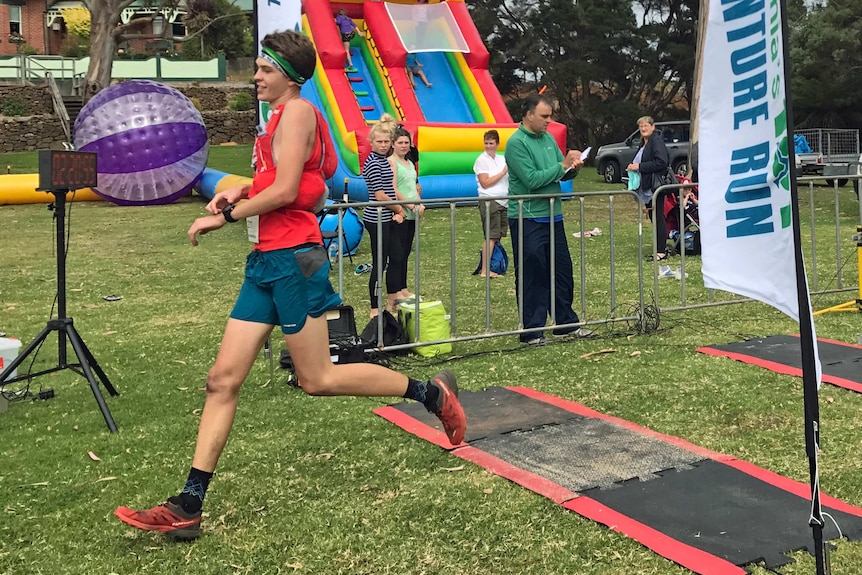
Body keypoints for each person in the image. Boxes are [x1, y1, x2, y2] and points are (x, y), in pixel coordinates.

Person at [113, 30, 466, 542]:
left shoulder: (297, 111)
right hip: (265, 262)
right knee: (222, 380)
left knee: (317, 378)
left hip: (293, 259)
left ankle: (427, 393)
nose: (255, 76)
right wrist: (237, 186)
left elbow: (285, 189)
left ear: (289, 74)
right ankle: (188, 503)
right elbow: (282, 180)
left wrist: (227, 214)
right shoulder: (276, 119)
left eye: (264, 68)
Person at [506, 93, 592, 344]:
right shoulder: (516, 143)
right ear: (529, 114)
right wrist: (562, 164)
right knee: (533, 273)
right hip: (527, 217)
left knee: (562, 270)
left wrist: (571, 168)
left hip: (553, 216)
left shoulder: (548, 139)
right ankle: (531, 331)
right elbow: (532, 179)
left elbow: (558, 173)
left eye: (550, 116)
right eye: (544, 116)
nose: (549, 121)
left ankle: (566, 323)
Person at [361, 114, 409, 315]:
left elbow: (390, 188)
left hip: (389, 216)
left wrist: (397, 211)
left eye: (386, 141)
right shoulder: (372, 162)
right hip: (376, 217)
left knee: (397, 256)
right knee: (379, 263)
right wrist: (399, 209)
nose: (383, 145)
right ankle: (374, 306)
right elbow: (380, 194)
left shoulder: (384, 161)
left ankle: (392, 300)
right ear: (371, 142)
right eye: (379, 141)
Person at [626, 116, 672, 261]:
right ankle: (660, 247)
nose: (643, 129)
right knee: (653, 216)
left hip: (655, 186)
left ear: (653, 127)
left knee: (658, 216)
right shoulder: (643, 143)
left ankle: (661, 251)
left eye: (646, 125)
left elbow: (661, 162)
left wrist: (639, 166)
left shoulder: (656, 141)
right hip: (645, 187)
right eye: (641, 126)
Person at [390, 124, 424, 301]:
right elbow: (394, 188)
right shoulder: (392, 162)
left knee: (406, 251)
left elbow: (413, 186)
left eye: (406, 142)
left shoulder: (410, 163)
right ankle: (395, 289)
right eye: (400, 142)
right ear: (393, 144)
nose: (404, 145)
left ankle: (403, 287)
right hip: (401, 212)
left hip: (413, 212)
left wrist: (419, 204)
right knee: (398, 253)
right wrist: (409, 205)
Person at [473, 129, 508, 278]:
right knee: (491, 236)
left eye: (491, 143)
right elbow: (485, 182)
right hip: (489, 199)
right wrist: (501, 173)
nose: (488, 146)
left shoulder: (502, 159)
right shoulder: (482, 160)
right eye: (486, 143)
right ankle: (485, 270)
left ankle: (493, 264)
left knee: (498, 235)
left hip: (504, 200)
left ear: (497, 144)